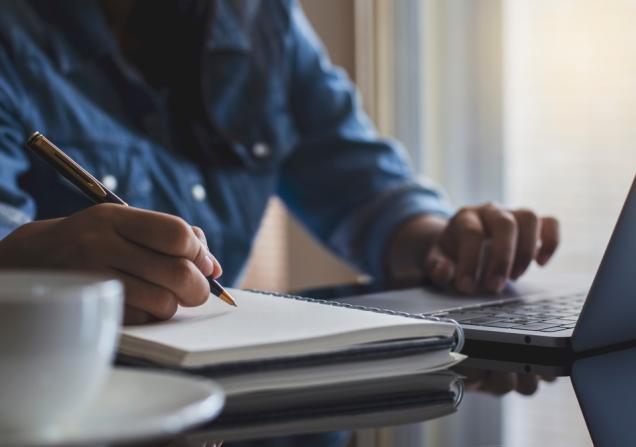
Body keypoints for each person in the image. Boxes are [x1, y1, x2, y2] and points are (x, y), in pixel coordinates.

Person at [0, 0, 559, 325]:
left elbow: (364, 187)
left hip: (230, 394)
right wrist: (20, 262)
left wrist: (444, 243)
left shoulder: (264, 20)